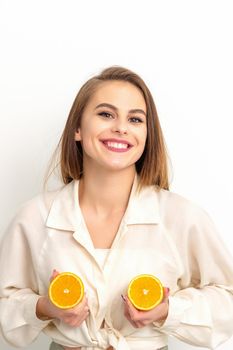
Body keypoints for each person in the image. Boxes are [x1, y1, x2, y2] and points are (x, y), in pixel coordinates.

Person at [0, 66, 233, 350]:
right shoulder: (33, 218)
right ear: (77, 128)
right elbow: (5, 304)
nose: (121, 127)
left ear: (147, 135)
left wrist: (168, 310)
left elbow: (228, 299)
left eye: (135, 119)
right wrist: (45, 307)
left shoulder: (181, 217)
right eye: (106, 114)